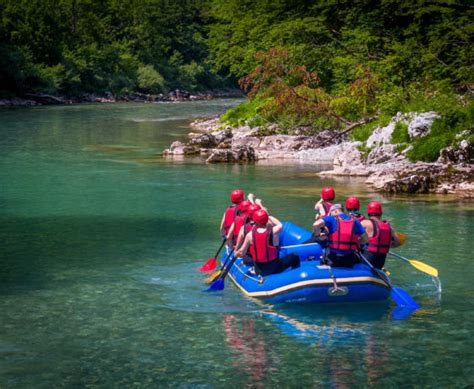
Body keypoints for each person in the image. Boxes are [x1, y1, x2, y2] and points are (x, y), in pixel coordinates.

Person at [236, 209, 300, 276]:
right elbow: (280, 225)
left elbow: (241, 252)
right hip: (275, 268)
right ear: (266, 220)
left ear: (255, 221)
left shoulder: (250, 235)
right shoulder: (274, 231)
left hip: (259, 271)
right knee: (295, 256)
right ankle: (295, 276)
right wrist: (268, 216)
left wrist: (235, 254)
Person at [360, 201, 401, 269]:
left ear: (368, 213)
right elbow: (398, 243)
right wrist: (385, 245)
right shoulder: (388, 227)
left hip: (367, 259)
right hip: (380, 261)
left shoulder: (365, 223)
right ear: (380, 213)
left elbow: (352, 236)